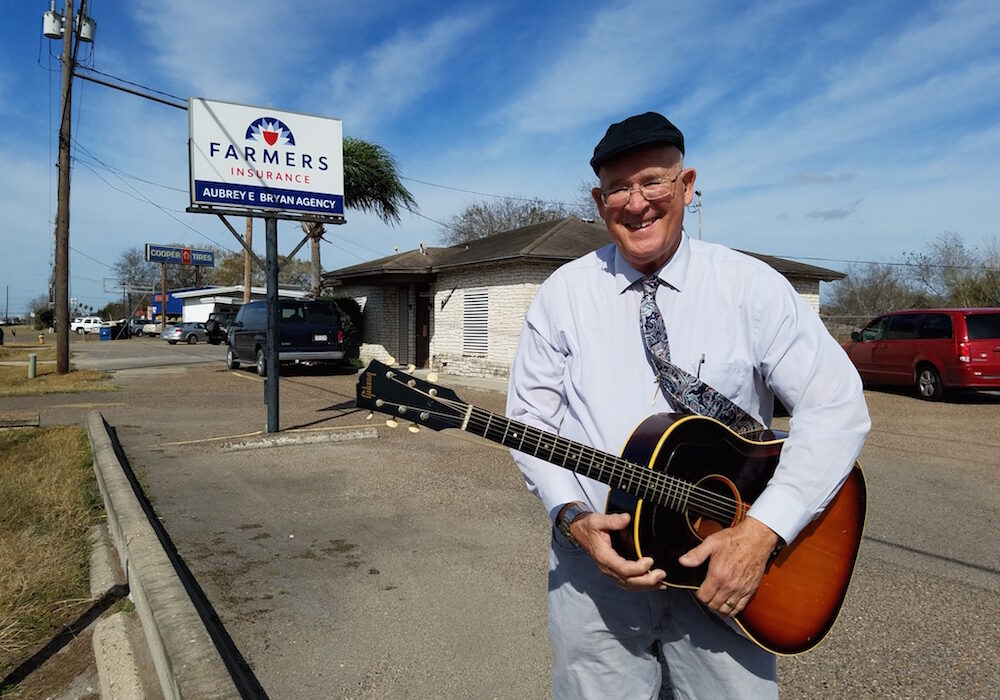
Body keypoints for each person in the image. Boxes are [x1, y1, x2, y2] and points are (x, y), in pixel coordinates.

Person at [505, 112, 870, 699]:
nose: (637, 203)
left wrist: (762, 533)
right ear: (600, 202)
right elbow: (530, 422)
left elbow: (838, 406)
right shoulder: (563, 295)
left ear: (687, 185)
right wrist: (573, 520)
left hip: (726, 569)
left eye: (652, 181)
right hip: (597, 575)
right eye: (618, 189)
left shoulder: (750, 286)